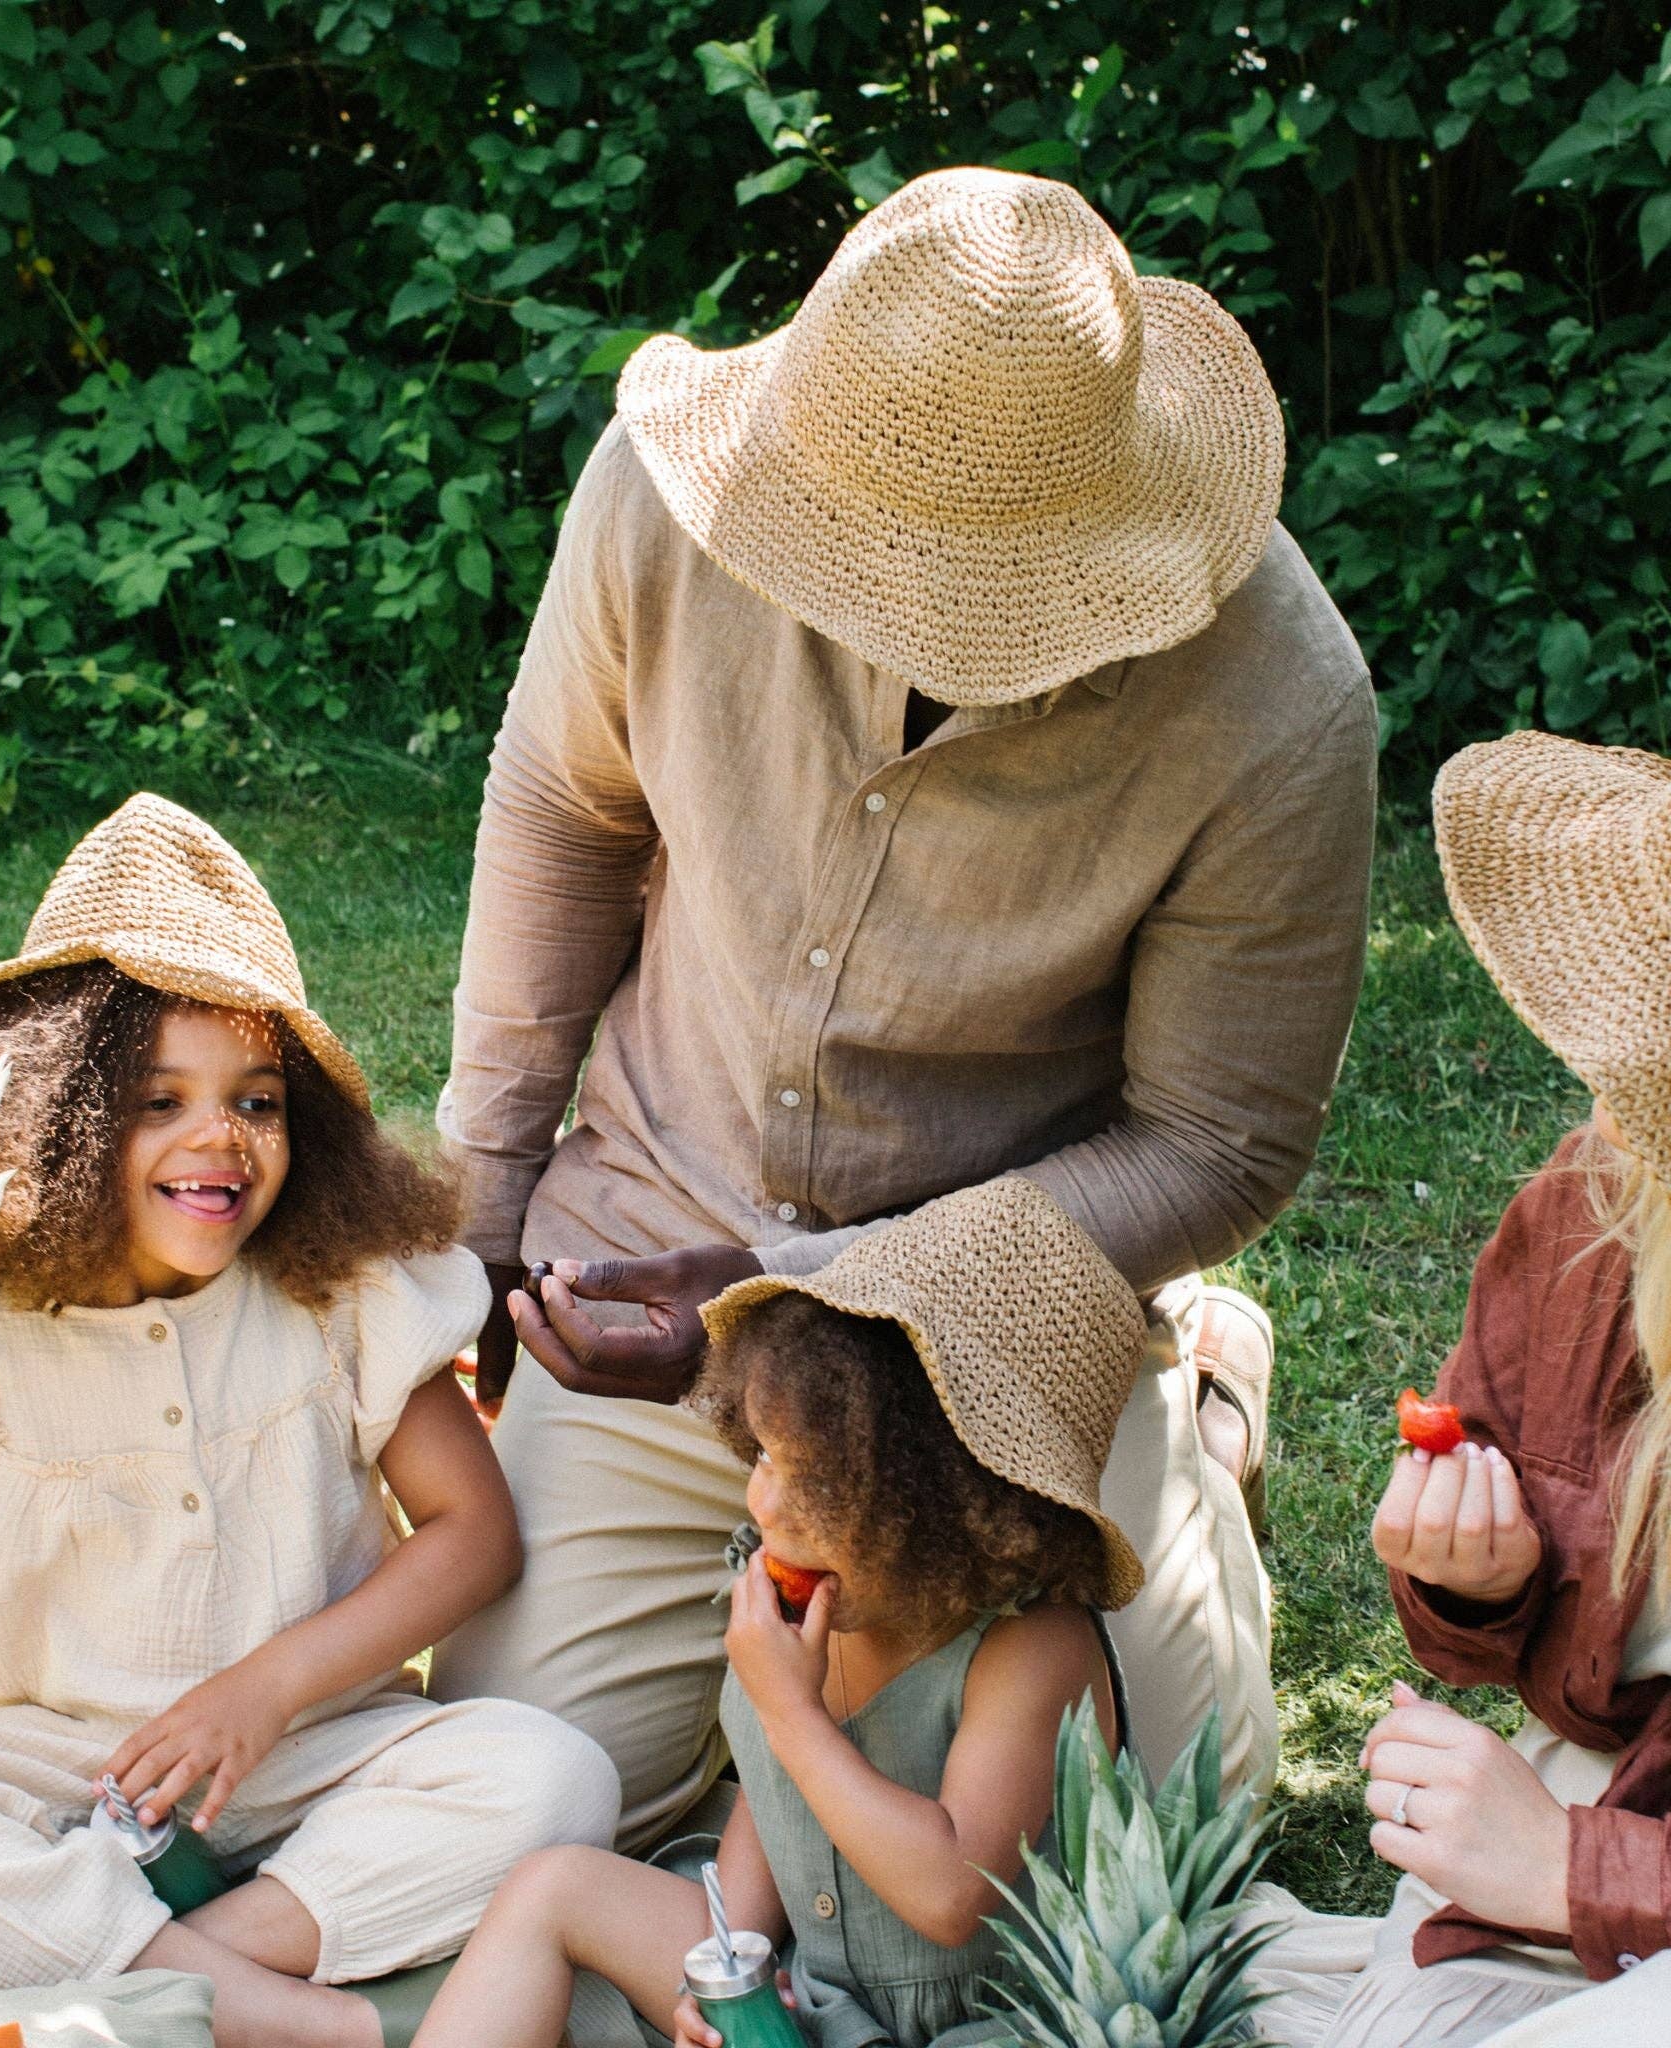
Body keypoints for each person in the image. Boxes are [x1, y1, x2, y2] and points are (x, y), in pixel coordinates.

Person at [431, 163, 1377, 1839]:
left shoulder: (1279, 696)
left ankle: (1193, 1400)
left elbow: (1212, 1136)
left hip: (1003, 1332)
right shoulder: (661, 498)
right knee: (521, 1805)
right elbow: (565, 816)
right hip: (650, 1216)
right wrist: (482, 1212)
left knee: (1161, 1833)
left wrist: (801, 1287)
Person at [0, 795, 619, 2048]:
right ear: (60, 1117)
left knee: (548, 1773)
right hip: (43, 1776)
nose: (220, 1136)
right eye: (158, 1100)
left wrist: (264, 1687)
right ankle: (319, 2023)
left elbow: (474, 1535)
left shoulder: (336, 1290)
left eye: (257, 1099)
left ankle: (164, 1975)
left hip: (303, 1754)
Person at [410, 1177, 1148, 2048]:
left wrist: (790, 1711)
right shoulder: (790, 1582)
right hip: (819, 1994)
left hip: (988, 2025)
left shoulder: (1031, 1650)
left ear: (946, 1508)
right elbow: (772, 1797)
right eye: (764, 1454)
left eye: (811, 1481)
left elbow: (955, 1898)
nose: (762, 1500)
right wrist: (727, 1969)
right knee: (553, 1888)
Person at [1248, 730, 1671, 2046]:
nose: (1607, 1110)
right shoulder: (1590, 1210)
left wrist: (1573, 1869)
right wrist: (1469, 1580)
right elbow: (1500, 1641)